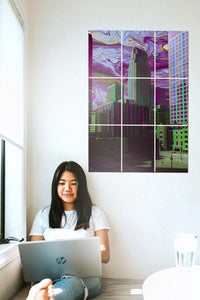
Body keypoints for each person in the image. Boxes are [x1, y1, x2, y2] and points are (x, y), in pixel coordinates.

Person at [29, 161, 110, 300]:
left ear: (81, 186)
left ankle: (47, 297)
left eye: (73, 183)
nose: (67, 188)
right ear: (55, 186)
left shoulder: (96, 213)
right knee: (51, 284)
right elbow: (33, 257)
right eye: (62, 183)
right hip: (50, 277)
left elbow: (105, 256)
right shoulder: (43, 215)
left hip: (84, 278)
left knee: (72, 283)